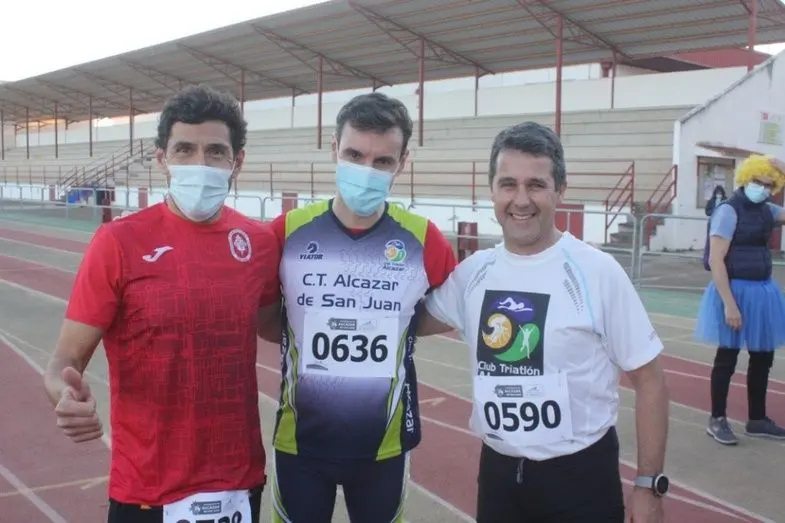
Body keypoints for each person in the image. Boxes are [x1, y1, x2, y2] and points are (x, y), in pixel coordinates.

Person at [43, 85, 281, 523]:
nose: (200, 164)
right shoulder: (118, 242)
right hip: (146, 488)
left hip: (238, 480)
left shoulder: (259, 243)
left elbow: (274, 325)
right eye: (184, 150)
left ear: (237, 162)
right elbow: (64, 361)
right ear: (161, 158)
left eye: (215, 152)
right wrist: (65, 395)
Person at [418, 122, 670, 522]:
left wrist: (648, 486)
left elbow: (650, 379)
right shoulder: (473, 274)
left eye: (535, 185)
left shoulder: (597, 271)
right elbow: (406, 321)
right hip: (499, 475)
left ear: (560, 190)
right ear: (492, 190)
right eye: (508, 184)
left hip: (581, 479)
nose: (521, 200)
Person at [264, 92, 457, 522]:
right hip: (300, 444)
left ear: (402, 163)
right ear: (334, 149)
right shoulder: (287, 232)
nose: (366, 171)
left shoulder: (424, 239)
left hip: (382, 448)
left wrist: (405, 325)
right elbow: (263, 315)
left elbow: (452, 307)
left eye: (382, 161)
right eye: (354, 155)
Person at [697, 154, 785, 446]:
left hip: (762, 291)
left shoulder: (768, 210)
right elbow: (716, 260)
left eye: (769, 184)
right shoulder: (728, 211)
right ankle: (717, 419)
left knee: (762, 356)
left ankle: (757, 419)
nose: (763, 188)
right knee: (727, 357)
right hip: (733, 291)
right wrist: (729, 304)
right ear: (746, 178)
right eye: (758, 181)